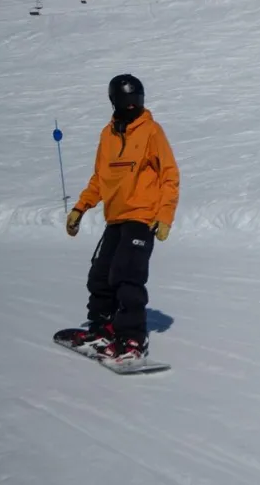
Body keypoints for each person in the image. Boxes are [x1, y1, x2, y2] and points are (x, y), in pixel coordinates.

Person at [62, 74, 180, 361]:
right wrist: (81, 207)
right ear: (115, 101)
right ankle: (102, 329)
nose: (132, 106)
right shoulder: (108, 135)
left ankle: (132, 338)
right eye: (127, 101)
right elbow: (100, 178)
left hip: (141, 217)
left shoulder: (152, 131)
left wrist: (164, 216)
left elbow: (169, 175)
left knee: (127, 277)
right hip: (115, 218)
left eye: (136, 100)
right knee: (101, 277)